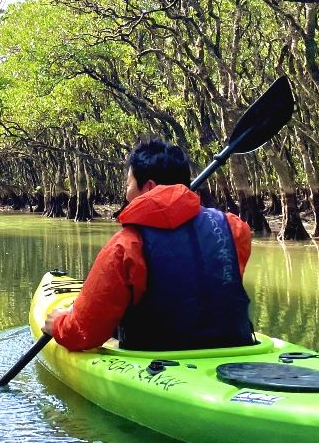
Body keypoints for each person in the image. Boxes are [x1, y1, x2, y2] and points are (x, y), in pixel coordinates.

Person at [42, 138, 255, 351]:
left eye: (128, 185)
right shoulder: (234, 228)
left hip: (157, 356)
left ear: (149, 186)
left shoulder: (125, 246)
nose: (126, 193)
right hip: (234, 347)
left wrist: (59, 325)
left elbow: (83, 333)